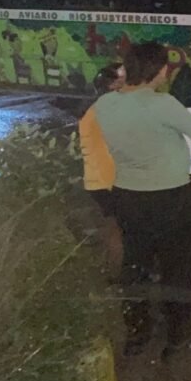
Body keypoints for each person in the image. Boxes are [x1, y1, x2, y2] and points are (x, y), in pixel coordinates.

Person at [93, 42, 191, 359]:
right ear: (158, 70)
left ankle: (137, 332)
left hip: (128, 197)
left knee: (136, 263)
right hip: (171, 196)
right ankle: (177, 333)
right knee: (177, 266)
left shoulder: (105, 104)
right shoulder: (164, 104)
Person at [79, 63, 126, 275]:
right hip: (110, 181)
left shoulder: (97, 109)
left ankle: (118, 273)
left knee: (115, 226)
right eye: (124, 79)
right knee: (120, 228)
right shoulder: (109, 110)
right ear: (112, 85)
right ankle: (122, 276)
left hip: (100, 180)